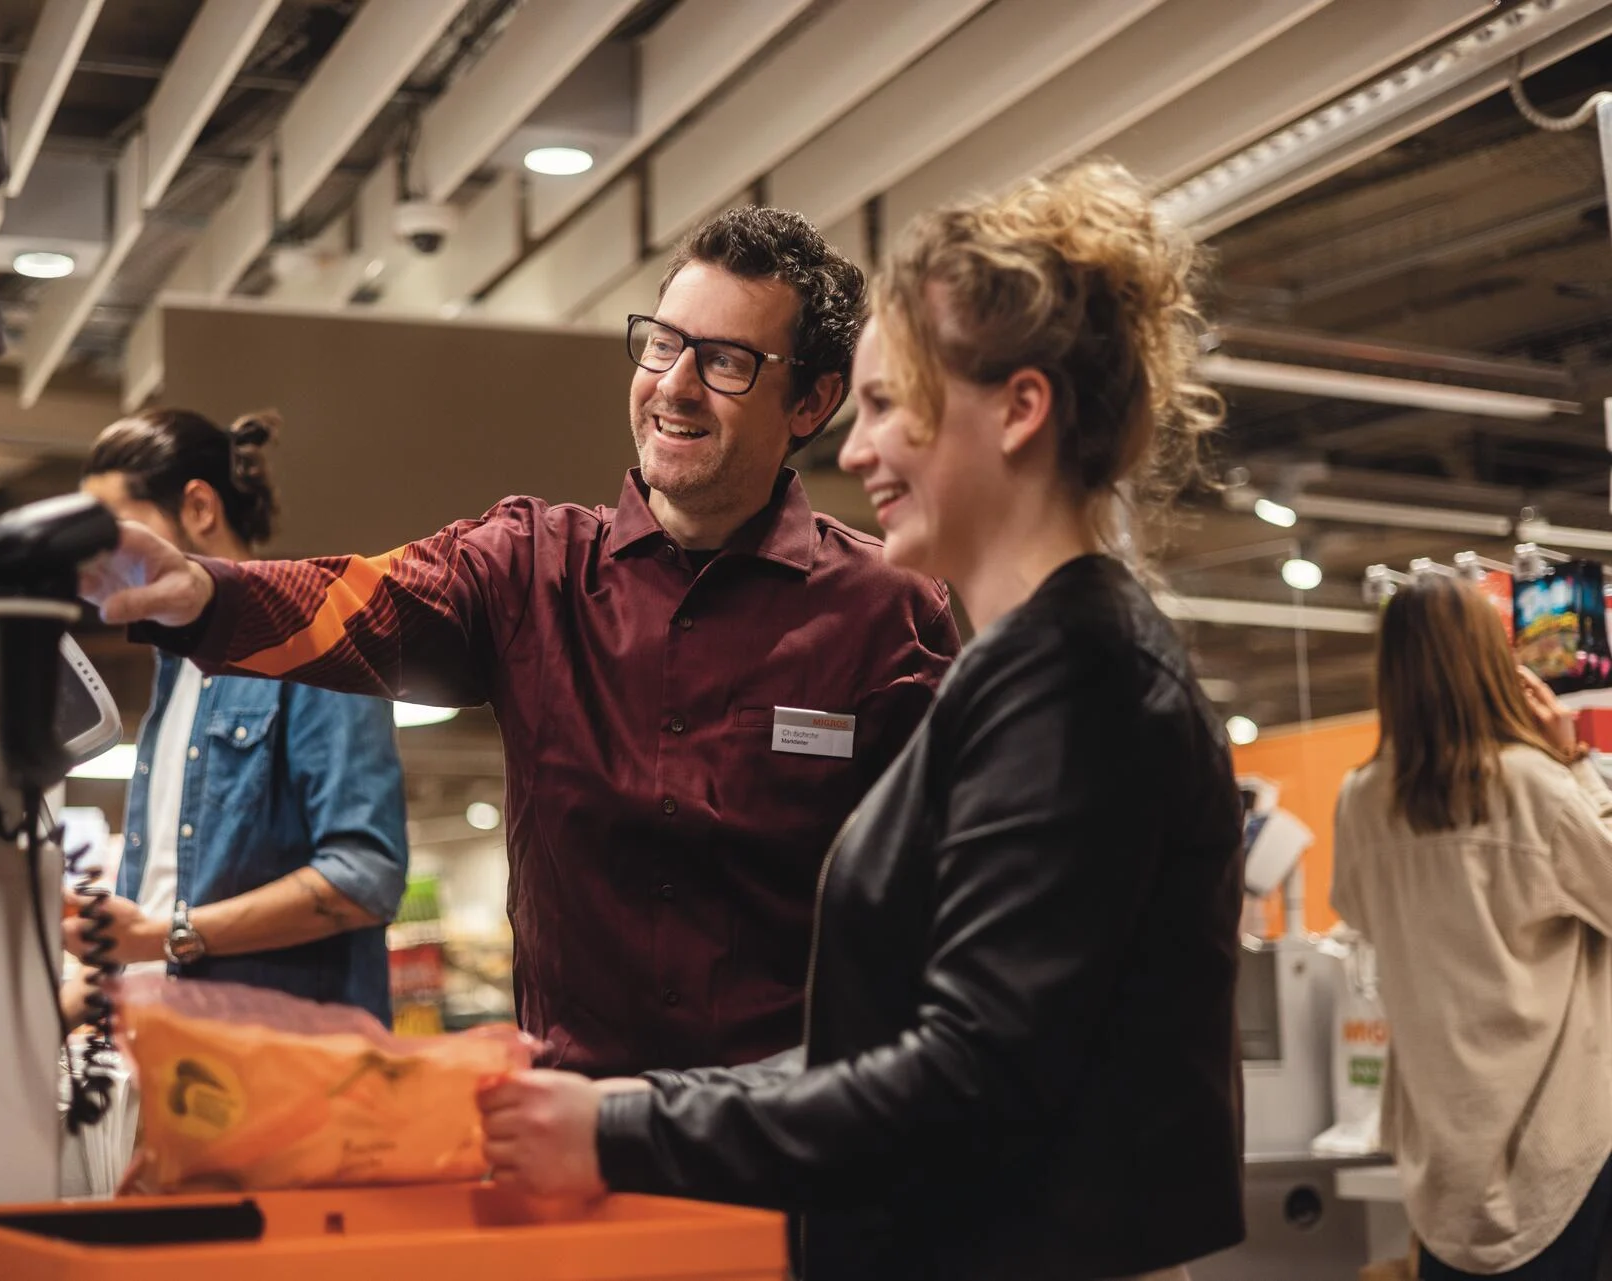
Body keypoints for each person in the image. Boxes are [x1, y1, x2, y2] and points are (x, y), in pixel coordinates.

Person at [472, 161, 1246, 1281]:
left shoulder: (1082, 688)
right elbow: (885, 1049)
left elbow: (966, 1078)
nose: (854, 452)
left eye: (888, 406)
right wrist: (628, 1105)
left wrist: (620, 1130)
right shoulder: (1020, 675)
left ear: (1020, 410)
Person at [79, 208, 960, 1078]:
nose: (675, 384)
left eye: (725, 360)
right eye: (662, 344)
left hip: (794, 1152)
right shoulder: (529, 568)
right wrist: (204, 591)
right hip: (578, 1143)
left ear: (810, 401)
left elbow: (944, 898)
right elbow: (360, 600)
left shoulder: (888, 614)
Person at [65, 408, 409, 1025]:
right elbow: (158, 896)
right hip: (184, 1066)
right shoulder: (173, 672)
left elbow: (366, 878)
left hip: (289, 1082)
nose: (99, 560)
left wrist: (169, 935)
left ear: (199, 508)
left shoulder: (313, 649)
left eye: (116, 532)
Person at [1331, 575, 1612, 1280]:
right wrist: (1578, 762)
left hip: (1444, 1154)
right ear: (1492, 662)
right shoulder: (1531, 784)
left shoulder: (1361, 800)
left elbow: (1357, 912)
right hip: (1556, 1144)